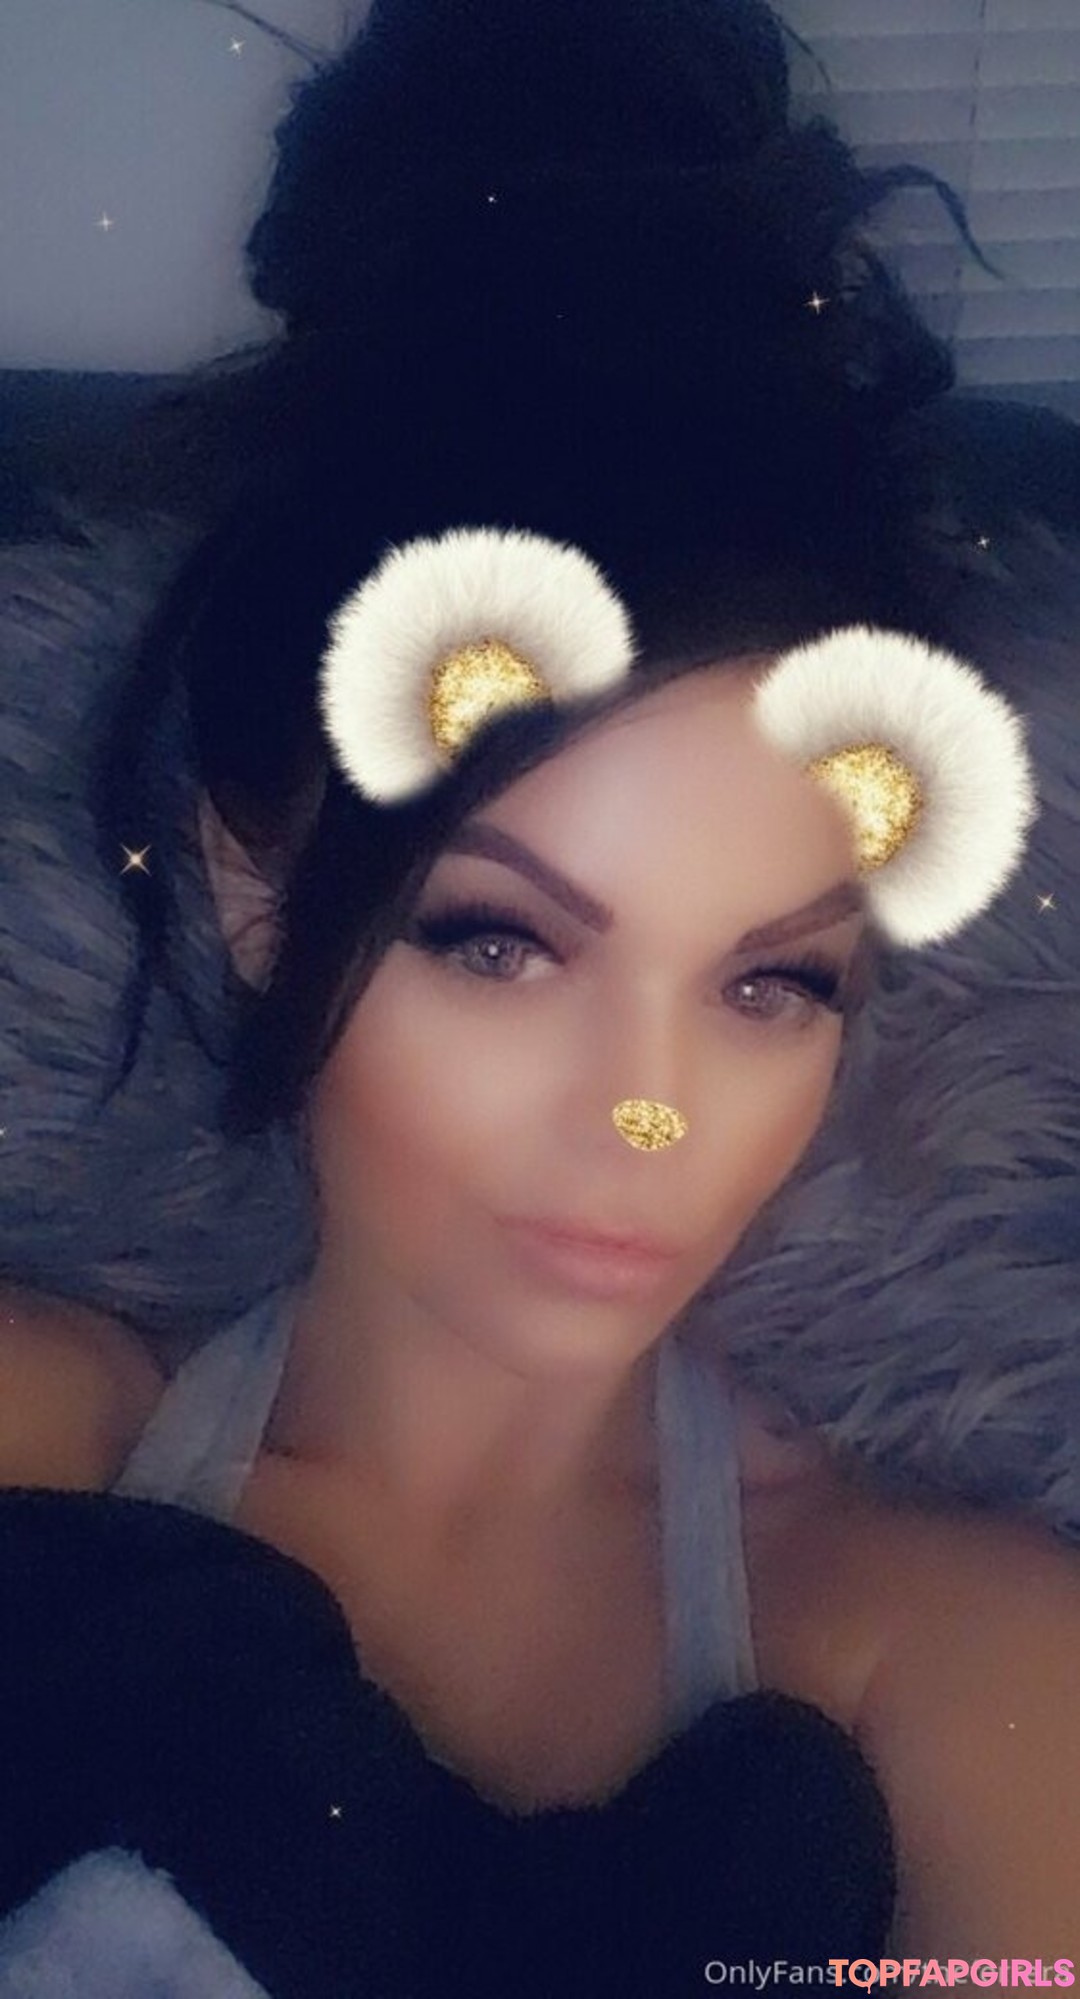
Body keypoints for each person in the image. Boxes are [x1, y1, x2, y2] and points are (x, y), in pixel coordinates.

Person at [1, 0, 1079, 1989]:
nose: (644, 1112)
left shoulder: (968, 1675)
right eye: (502, 944)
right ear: (258, 888)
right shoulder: (30, 1444)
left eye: (770, 982)